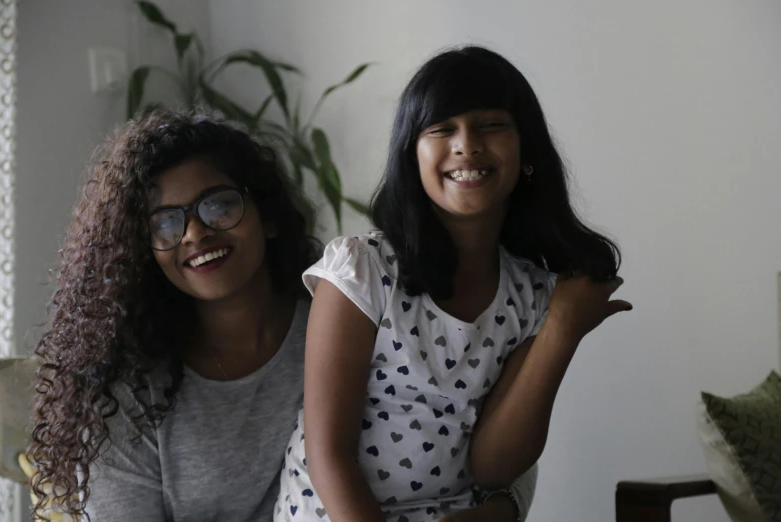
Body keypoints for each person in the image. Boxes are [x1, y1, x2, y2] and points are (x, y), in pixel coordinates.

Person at [27, 109, 532, 522]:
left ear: (267, 215)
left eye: (218, 206)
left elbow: (478, 422)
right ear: (144, 251)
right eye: (165, 223)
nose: (195, 234)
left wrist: (506, 506)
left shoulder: (354, 315)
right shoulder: (127, 394)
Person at [275, 46, 632, 522]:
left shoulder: (533, 295)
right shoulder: (360, 269)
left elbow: (493, 467)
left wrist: (562, 330)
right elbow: (328, 455)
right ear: (412, 156)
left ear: (526, 150)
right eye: (441, 129)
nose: (467, 144)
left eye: (491, 125)